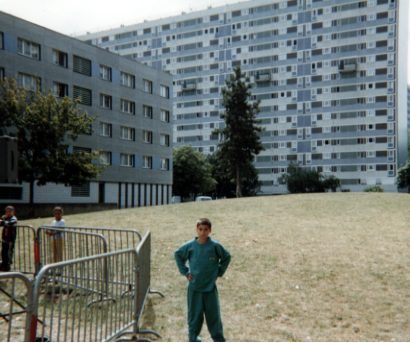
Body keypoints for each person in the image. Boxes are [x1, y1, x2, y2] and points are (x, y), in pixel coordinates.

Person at [174, 218, 231, 342]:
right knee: (194, 316)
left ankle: (218, 339)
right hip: (195, 287)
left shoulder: (215, 246)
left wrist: (219, 272)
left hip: (210, 288)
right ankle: (193, 338)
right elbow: (177, 254)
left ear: (210, 230)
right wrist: (186, 271)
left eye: (206, 229)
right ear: (196, 230)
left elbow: (227, 257)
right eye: (200, 229)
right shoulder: (190, 246)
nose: (203, 232)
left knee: (214, 316)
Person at [0, 205, 18, 272]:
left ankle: (8, 265)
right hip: (4, 238)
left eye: (10, 211)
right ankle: (3, 264)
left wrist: (3, 222)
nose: (8, 213)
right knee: (3, 252)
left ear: (13, 212)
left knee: (9, 252)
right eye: (7, 212)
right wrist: (2, 219)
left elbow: (11, 223)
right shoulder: (5, 218)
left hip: (10, 238)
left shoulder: (13, 218)